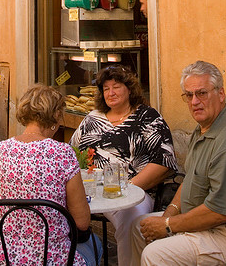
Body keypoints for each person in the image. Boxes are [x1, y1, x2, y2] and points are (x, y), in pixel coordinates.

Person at [131, 60, 226, 266]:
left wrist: (167, 225)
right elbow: (189, 182)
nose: (194, 101)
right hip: (207, 226)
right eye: (189, 95)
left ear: (221, 94)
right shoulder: (205, 127)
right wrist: (167, 217)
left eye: (202, 93)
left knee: (156, 254)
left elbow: (219, 212)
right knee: (138, 227)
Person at [0, 83, 102, 266]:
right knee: (96, 244)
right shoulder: (63, 153)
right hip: (52, 259)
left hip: (3, 258)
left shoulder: (1, 149)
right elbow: (82, 222)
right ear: (55, 115)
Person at [70, 66, 178, 266]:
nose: (111, 93)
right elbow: (71, 156)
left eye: (116, 87)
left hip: (134, 192)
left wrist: (127, 187)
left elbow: (165, 162)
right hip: (92, 192)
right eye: (106, 88)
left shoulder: (148, 117)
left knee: (131, 219)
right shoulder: (92, 119)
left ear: (129, 89)